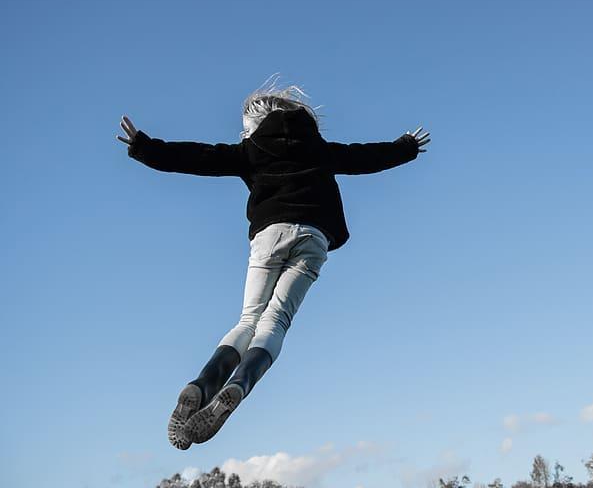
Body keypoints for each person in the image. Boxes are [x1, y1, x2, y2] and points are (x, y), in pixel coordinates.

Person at [117, 76, 430, 449]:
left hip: (270, 235)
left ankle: (201, 386)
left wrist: (144, 147)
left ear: (253, 123)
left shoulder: (250, 150)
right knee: (276, 321)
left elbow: (198, 157)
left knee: (249, 319)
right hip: (314, 237)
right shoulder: (319, 148)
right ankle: (238, 386)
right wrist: (407, 146)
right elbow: (366, 156)